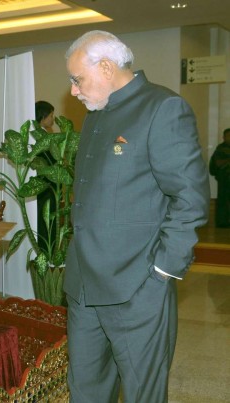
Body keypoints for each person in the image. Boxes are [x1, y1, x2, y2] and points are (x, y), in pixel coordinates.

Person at [63, 31, 209, 403]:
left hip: (135, 285)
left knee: (143, 393)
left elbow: (190, 199)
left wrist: (162, 272)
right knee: (85, 391)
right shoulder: (97, 115)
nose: (74, 91)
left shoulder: (161, 108)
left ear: (107, 67)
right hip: (84, 286)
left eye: (77, 79)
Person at [35, 101, 58, 250]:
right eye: (51, 115)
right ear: (43, 117)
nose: (53, 119)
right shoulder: (40, 137)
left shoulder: (43, 135)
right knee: (46, 222)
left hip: (47, 185)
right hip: (46, 185)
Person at [209, 128, 230, 227]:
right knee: (223, 201)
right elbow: (217, 164)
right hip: (224, 180)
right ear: (223, 137)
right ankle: (222, 223)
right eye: (228, 136)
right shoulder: (220, 149)